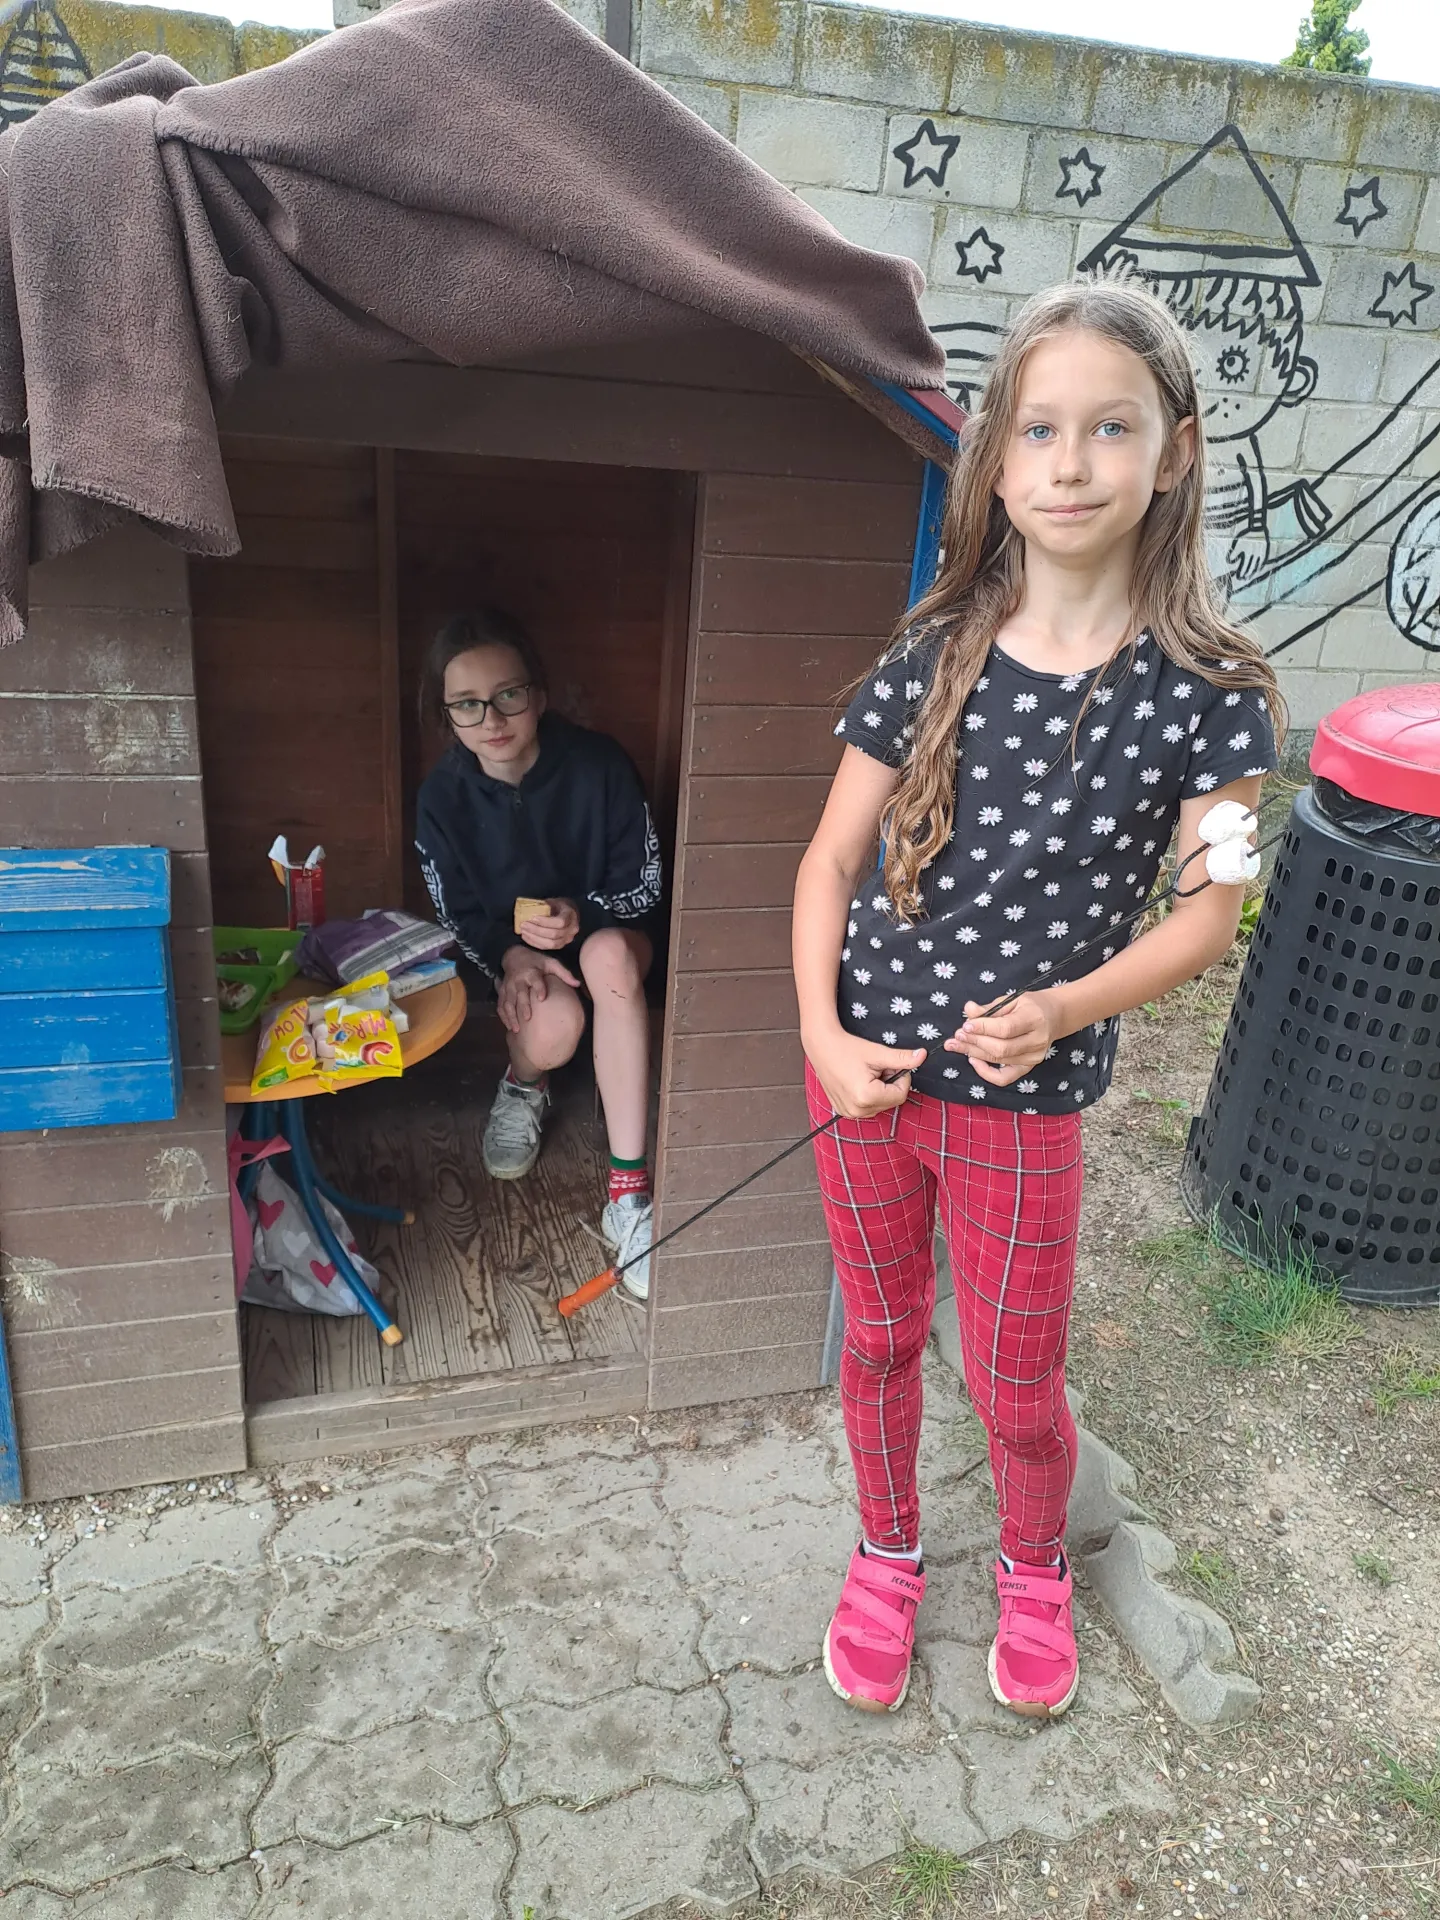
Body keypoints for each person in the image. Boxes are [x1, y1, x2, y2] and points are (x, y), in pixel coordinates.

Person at [792, 277, 1284, 1720]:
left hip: (1026, 1105)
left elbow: (1208, 915)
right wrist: (824, 1036)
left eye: (1109, 428)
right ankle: (887, 1552)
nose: (1070, 464)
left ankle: (1033, 1567)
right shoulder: (929, 653)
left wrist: (1064, 1010)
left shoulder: (1213, 695)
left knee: (1018, 1384)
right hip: (864, 1077)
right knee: (879, 1339)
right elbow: (827, 863)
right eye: (1037, 430)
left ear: (1173, 455)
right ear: (995, 464)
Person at [415, 608, 663, 1299]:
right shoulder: (441, 798)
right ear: (447, 716)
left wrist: (583, 914)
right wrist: (509, 957)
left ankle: (628, 1196)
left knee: (607, 956)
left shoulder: (599, 764)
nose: (491, 718)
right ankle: (523, 1084)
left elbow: (646, 886)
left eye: (509, 695)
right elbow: (455, 913)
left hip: (615, 940)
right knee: (553, 1028)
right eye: (467, 704)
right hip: (524, 962)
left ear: (540, 695)